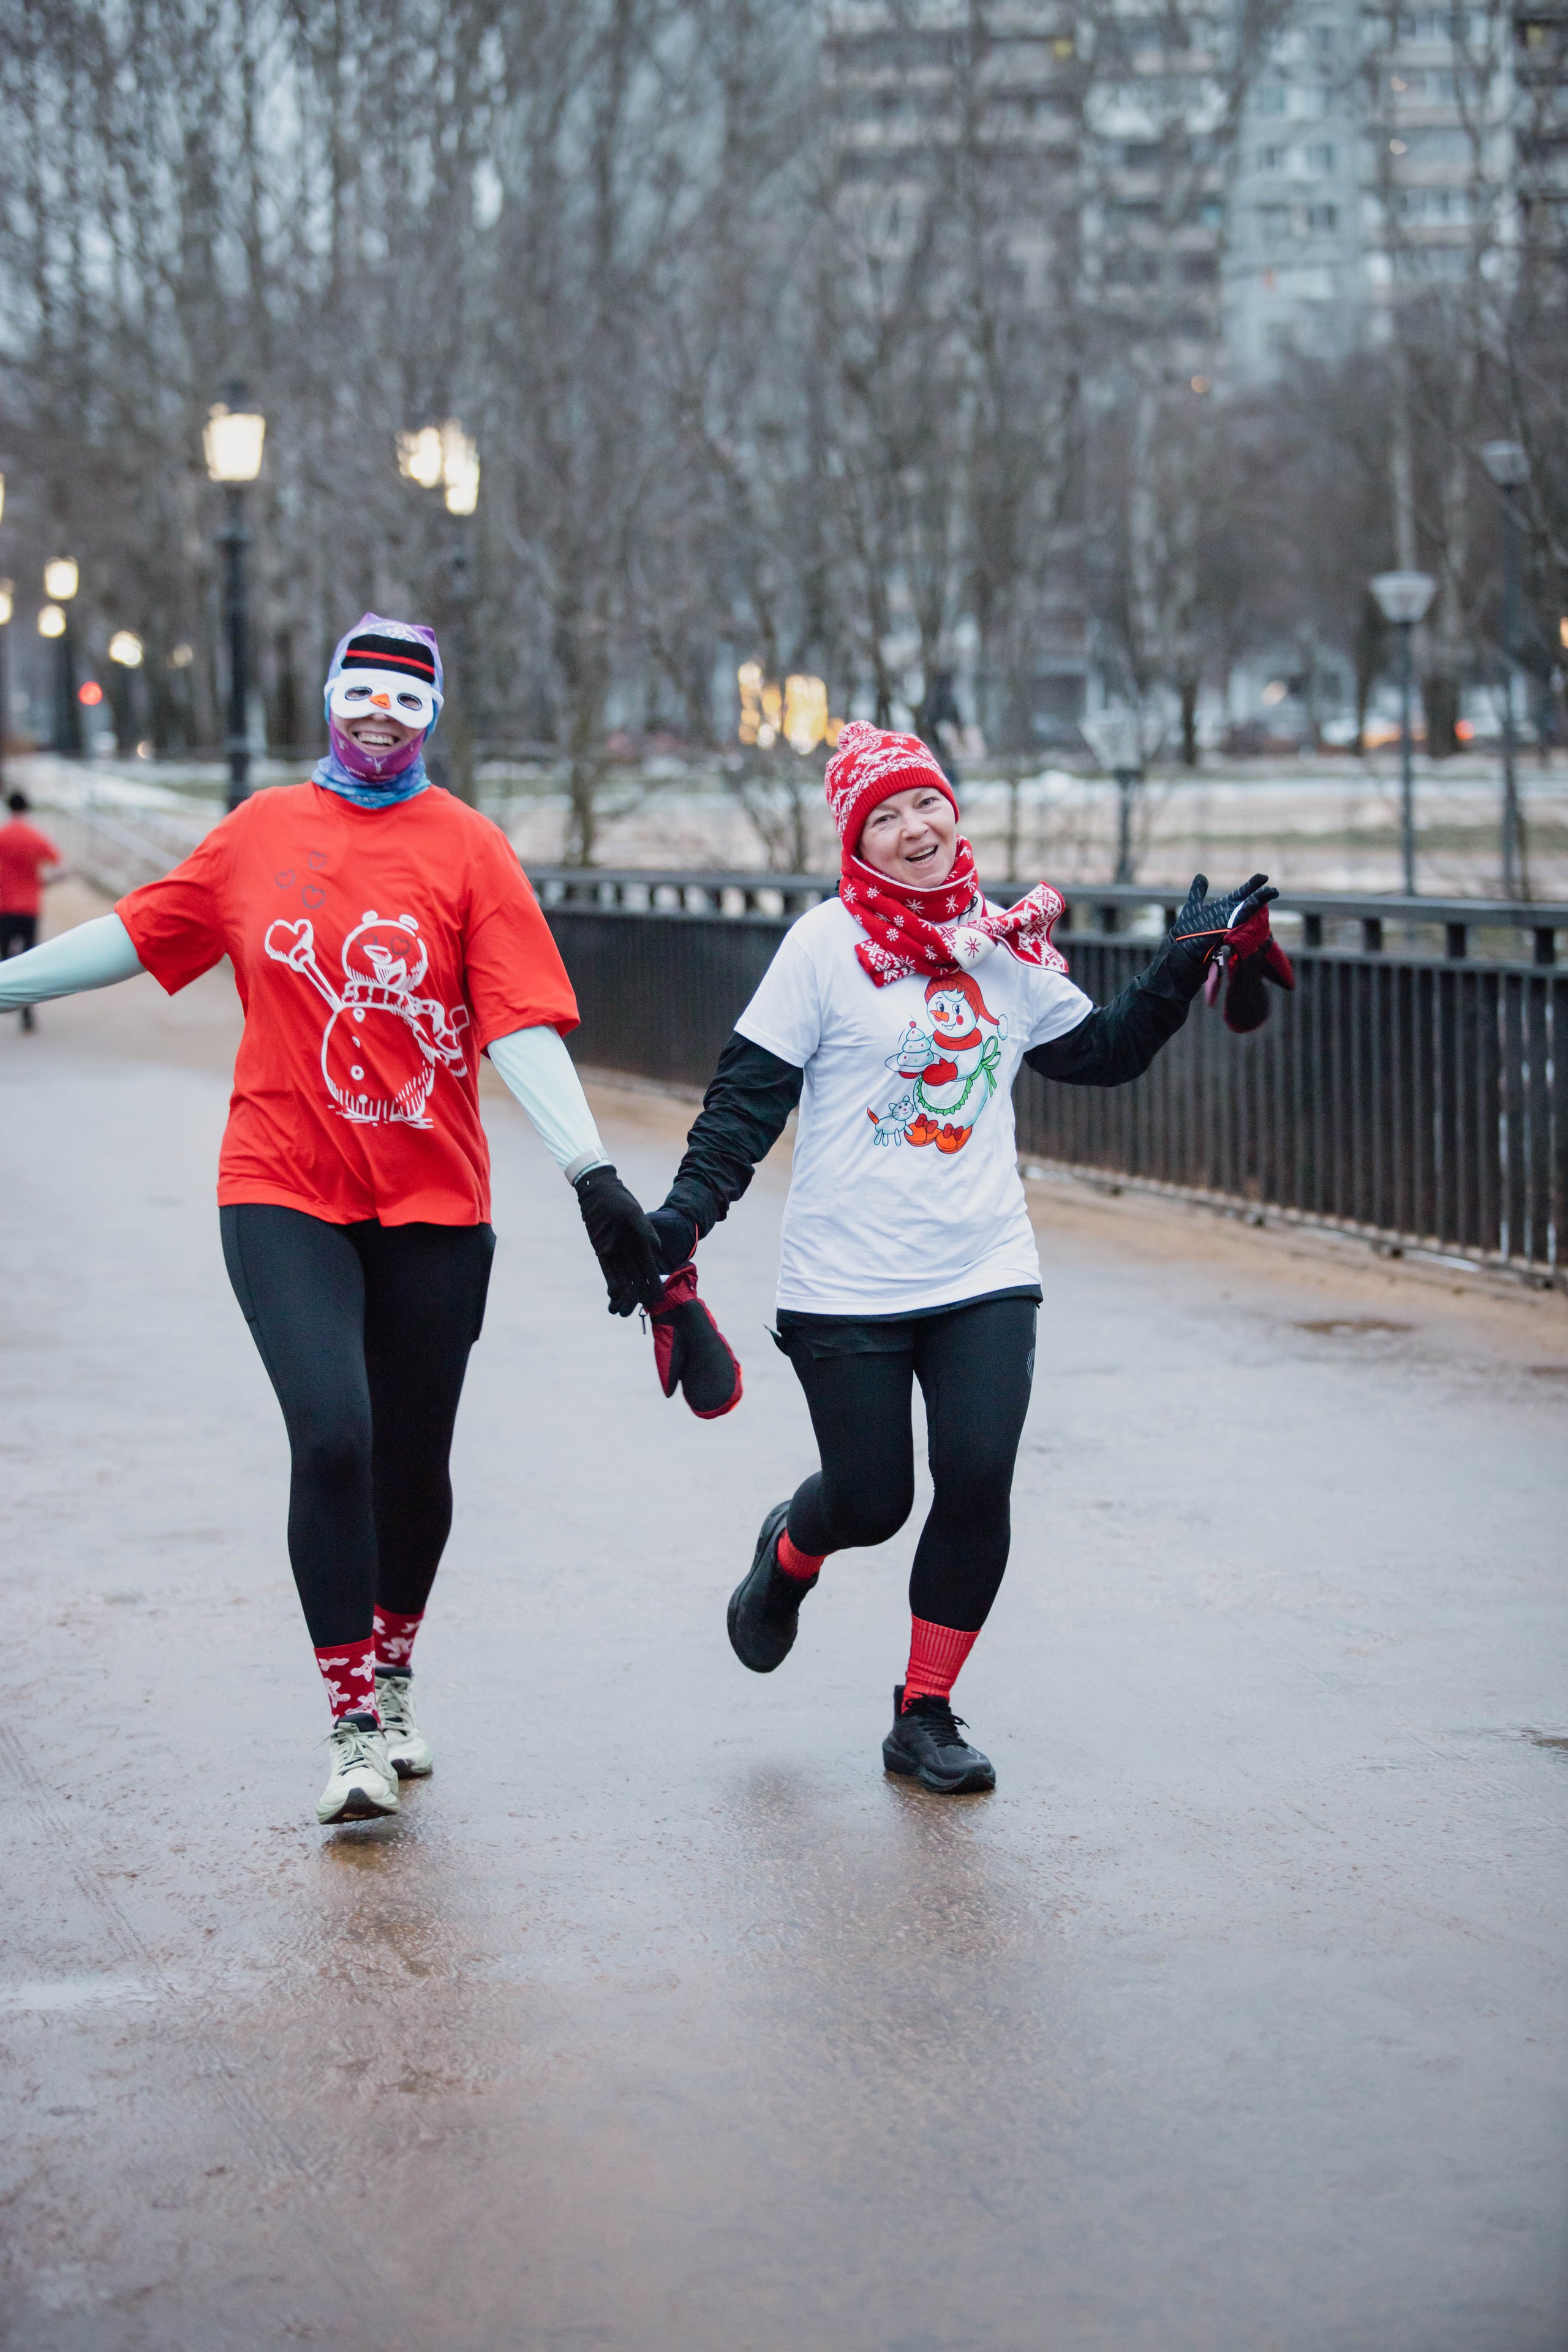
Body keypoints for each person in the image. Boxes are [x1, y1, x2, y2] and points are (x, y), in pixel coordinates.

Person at [0, 617, 662, 1823]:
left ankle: (397, 1673)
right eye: (359, 694)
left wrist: (590, 1173)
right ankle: (351, 1722)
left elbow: (516, 1022)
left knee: (413, 1466)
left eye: (403, 702)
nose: (377, 716)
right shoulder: (260, 832)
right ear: (326, 700)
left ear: (431, 718)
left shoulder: (468, 849)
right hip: (280, 1184)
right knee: (333, 1436)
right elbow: (144, 931)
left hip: (433, 1202)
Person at [643, 721, 1281, 1795]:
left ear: (954, 810)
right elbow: (745, 1107)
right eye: (882, 818)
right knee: (874, 1500)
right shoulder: (822, 948)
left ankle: (923, 1713)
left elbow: (1100, 1054)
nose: (913, 830)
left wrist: (1182, 964)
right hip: (846, 1283)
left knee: (978, 1478)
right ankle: (789, 1552)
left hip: (983, 1266)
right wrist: (683, 1220)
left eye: (924, 805)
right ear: (856, 845)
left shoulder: (1004, 943)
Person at [0, 790, 62, 1032]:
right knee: (28, 961)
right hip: (29, 907)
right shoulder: (36, 837)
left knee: (4, 959)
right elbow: (60, 868)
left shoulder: (2, 836)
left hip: (4, 906)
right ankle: (27, 1015)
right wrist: (41, 883)